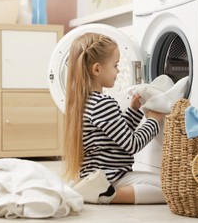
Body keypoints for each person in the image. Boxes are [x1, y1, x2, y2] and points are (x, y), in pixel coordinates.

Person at [63, 32, 166, 204]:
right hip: (110, 176)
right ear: (97, 69)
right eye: (115, 65)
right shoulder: (103, 103)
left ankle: (97, 190)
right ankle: (107, 195)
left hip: (95, 173)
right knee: (171, 189)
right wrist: (154, 120)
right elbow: (132, 144)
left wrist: (133, 111)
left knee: (165, 186)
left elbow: (116, 136)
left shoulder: (85, 102)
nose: (118, 71)